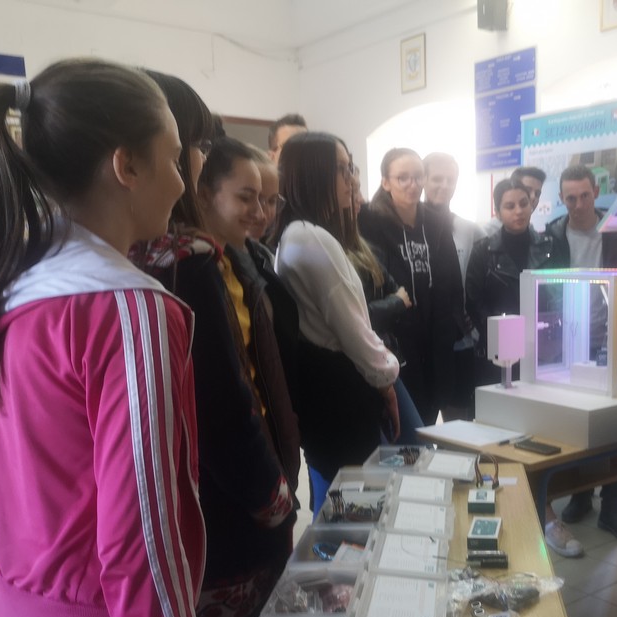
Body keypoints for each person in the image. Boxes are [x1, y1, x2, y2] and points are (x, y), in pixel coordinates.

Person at [0, 59, 213, 617]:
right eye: (174, 159)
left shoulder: (13, 284)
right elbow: (143, 538)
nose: (183, 182)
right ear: (127, 166)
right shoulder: (128, 309)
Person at [131, 72, 294, 617]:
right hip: (218, 513)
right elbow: (224, 410)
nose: (196, 164)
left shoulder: (91, 260)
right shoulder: (185, 260)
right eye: (194, 147)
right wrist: (275, 501)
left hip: (159, 522)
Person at [274, 131, 401, 509]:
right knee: (353, 504)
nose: (351, 179)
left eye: (351, 168)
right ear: (314, 175)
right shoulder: (310, 238)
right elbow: (353, 328)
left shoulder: (298, 234)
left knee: (337, 496)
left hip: (326, 388)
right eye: (342, 169)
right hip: (340, 390)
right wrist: (387, 378)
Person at [466, 177, 585, 558]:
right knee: (501, 438)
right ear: (497, 210)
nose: (517, 211)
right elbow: (472, 304)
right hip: (499, 357)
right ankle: (505, 511)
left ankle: (546, 515)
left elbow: (562, 292)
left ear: (532, 204)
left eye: (523, 203)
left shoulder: (551, 244)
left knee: (538, 436)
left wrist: (555, 338)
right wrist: (495, 342)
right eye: (509, 205)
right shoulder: (484, 250)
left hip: (542, 354)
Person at [198, 135, 302, 503]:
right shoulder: (197, 271)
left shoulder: (239, 260)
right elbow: (222, 398)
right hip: (242, 470)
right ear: (204, 194)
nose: (261, 213)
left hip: (267, 442)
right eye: (247, 198)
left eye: (269, 200)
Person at [547, 164, 617, 544]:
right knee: (574, 422)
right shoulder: (553, 233)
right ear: (561, 198)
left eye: (584, 195)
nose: (578, 204)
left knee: (611, 422)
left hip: (608, 334)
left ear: (595, 192)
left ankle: (612, 502)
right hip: (569, 339)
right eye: (570, 198)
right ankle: (581, 495)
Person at [358, 147, 468, 424]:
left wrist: (454, 325)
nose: (412, 184)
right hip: (396, 342)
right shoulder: (369, 221)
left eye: (418, 177)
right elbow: (370, 282)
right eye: (402, 178)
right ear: (386, 182)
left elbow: (452, 279)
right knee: (405, 428)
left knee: (429, 420)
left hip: (435, 339)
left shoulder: (435, 221)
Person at [422, 152, 485, 420]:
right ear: (423, 180)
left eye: (450, 179)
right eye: (437, 178)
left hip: (459, 341)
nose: (444, 185)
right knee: (421, 423)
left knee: (458, 423)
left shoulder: (470, 230)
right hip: (422, 342)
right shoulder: (408, 228)